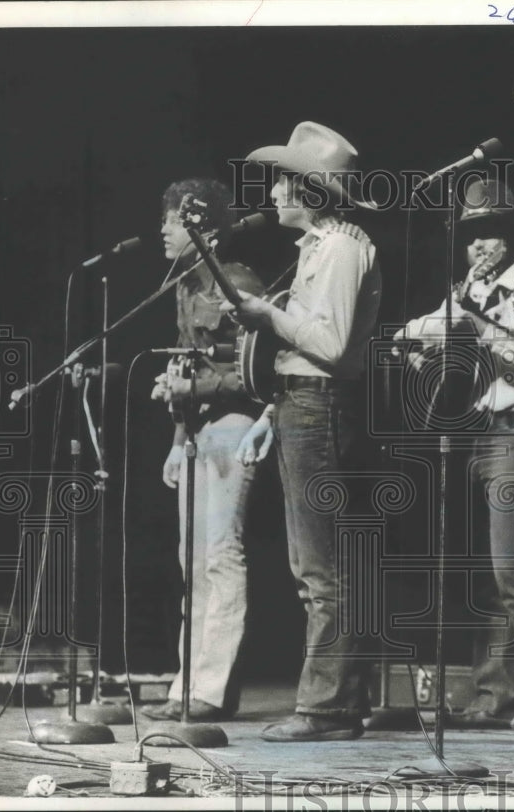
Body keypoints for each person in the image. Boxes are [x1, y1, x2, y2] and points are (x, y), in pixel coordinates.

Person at [395, 177, 514, 732]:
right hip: (478, 434)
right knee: (491, 577)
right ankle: (497, 692)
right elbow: (411, 334)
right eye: (470, 236)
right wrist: (423, 353)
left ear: (513, 241)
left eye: (489, 235)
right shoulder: (465, 294)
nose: (476, 248)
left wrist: (480, 329)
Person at [228, 122, 381, 742]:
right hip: (300, 407)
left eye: (285, 183)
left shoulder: (343, 247)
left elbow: (334, 346)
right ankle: (332, 703)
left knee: (326, 569)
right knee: (312, 565)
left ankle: (329, 710)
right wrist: (270, 415)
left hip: (321, 408)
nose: (276, 195)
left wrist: (269, 314)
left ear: (313, 191)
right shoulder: (318, 246)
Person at [144, 178, 265, 722]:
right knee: (191, 562)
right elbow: (187, 364)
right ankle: (186, 685)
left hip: (234, 424)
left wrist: (191, 391)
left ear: (205, 230)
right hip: (197, 432)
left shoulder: (236, 282)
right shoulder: (183, 287)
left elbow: (255, 374)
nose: (163, 229)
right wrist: (176, 437)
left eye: (172, 220)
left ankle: (211, 690)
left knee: (220, 556)